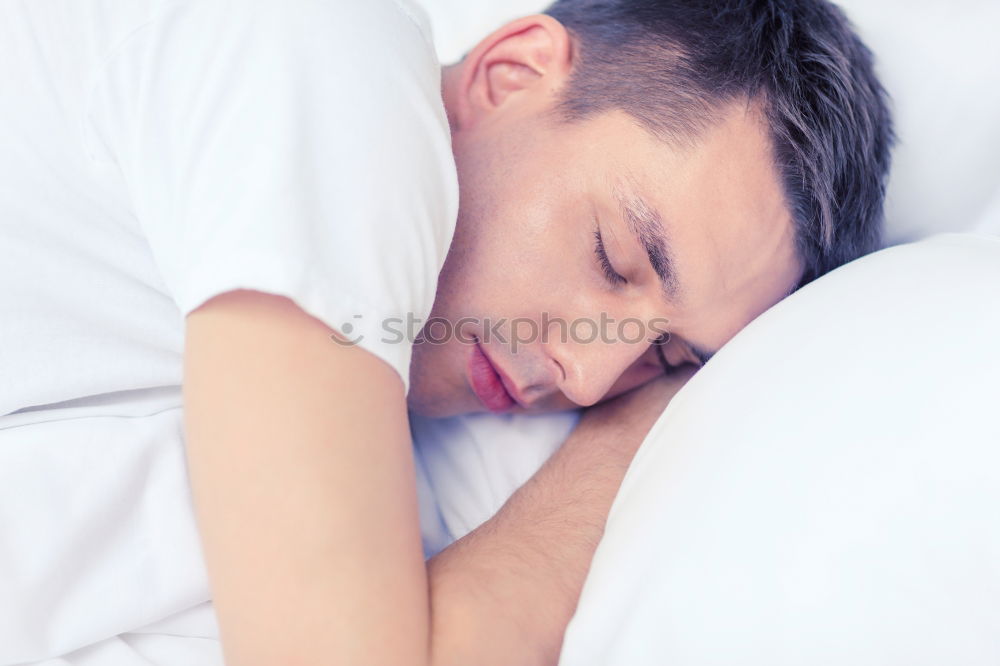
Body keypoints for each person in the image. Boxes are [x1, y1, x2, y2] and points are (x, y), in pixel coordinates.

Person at [0, 0, 891, 664]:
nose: (586, 379)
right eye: (613, 258)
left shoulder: (371, 471)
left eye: (663, 358)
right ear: (513, 73)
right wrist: (626, 446)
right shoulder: (327, 54)